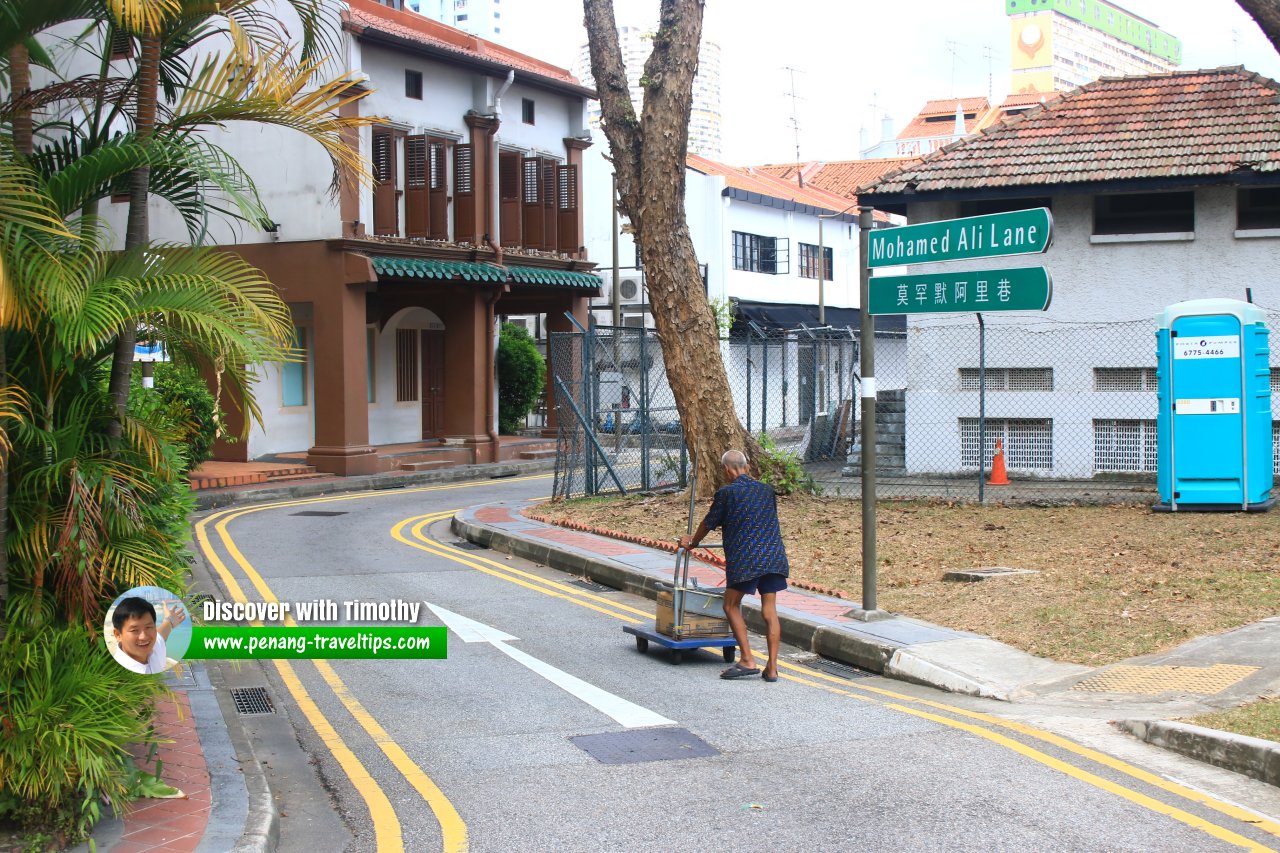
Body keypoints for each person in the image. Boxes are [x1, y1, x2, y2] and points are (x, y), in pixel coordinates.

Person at [679, 449, 789, 682]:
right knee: (770, 611)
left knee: (730, 605)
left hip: (746, 559)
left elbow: (708, 522)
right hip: (774, 556)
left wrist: (693, 542)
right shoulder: (767, 490)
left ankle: (748, 659)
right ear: (747, 467)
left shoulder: (726, 493)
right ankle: (772, 668)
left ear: (727, 470)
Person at [110, 596, 186, 674]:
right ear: (118, 635)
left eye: (148, 627)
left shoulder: (154, 648)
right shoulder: (118, 673)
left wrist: (170, 620)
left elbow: (162, 634)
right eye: (134, 630)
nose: (144, 637)